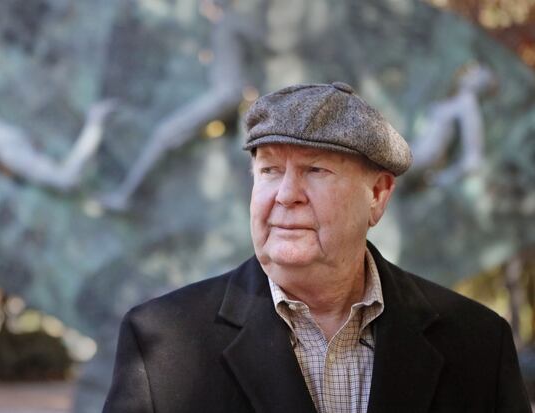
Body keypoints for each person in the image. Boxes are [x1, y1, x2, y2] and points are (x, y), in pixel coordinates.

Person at [102, 82, 530, 413]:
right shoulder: (161, 344)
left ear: (378, 195)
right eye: (269, 169)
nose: (287, 195)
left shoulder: (477, 343)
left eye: (316, 169)